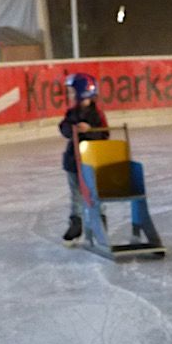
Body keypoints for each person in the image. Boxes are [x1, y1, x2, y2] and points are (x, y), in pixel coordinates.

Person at [58, 72, 108, 245]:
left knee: (95, 193)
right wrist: (73, 128)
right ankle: (76, 224)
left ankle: (99, 223)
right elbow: (64, 128)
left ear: (82, 92)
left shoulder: (97, 114)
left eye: (72, 92)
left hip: (92, 161)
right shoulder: (72, 113)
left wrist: (90, 130)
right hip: (73, 161)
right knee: (76, 195)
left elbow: (104, 134)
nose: (70, 95)